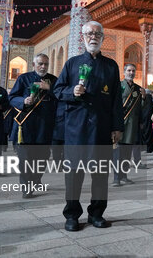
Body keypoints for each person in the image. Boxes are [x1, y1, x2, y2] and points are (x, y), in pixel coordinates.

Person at [53, 21, 124, 231]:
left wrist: (117, 126)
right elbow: (58, 90)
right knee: (74, 175)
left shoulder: (111, 66)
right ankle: (72, 215)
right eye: (89, 33)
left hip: (101, 129)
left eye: (97, 33)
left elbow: (116, 99)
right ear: (82, 37)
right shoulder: (72, 64)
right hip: (76, 129)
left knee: (100, 175)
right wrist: (71, 92)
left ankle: (97, 213)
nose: (93, 37)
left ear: (103, 37)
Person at [8, 53, 58, 198]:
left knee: (42, 159)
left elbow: (61, 97)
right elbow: (12, 98)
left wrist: (49, 88)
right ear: (34, 65)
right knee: (25, 159)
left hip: (45, 126)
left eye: (46, 64)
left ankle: (36, 180)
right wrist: (23, 101)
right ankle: (26, 187)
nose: (43, 66)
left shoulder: (53, 80)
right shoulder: (23, 78)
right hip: (26, 126)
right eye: (40, 63)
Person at [113, 63, 146, 186]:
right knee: (118, 153)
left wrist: (143, 97)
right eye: (129, 70)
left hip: (132, 126)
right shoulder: (118, 86)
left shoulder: (138, 88)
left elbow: (140, 108)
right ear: (124, 72)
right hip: (120, 124)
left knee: (127, 153)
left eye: (133, 71)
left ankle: (124, 176)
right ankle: (116, 178)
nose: (131, 73)